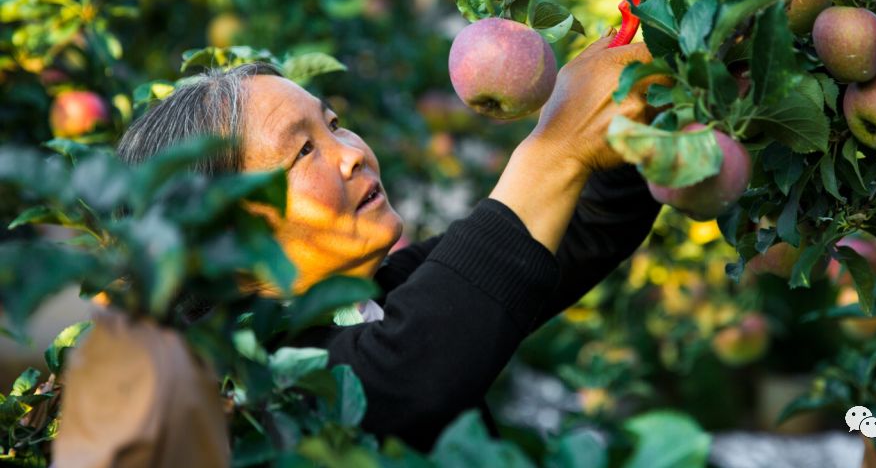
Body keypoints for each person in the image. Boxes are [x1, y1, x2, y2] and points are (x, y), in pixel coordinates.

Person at [58, 35, 666, 459]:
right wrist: (554, 147)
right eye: (302, 151)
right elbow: (410, 369)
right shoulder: (241, 394)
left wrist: (635, 107)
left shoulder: (379, 296)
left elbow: (574, 233)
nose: (351, 152)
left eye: (334, 122)